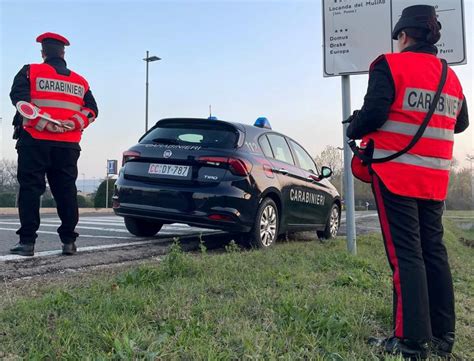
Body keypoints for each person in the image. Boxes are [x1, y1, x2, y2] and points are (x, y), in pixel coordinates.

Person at [345, 5, 468, 360]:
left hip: (396, 174)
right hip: (435, 180)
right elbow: (460, 123)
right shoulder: (450, 76)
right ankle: (444, 336)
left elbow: (374, 114)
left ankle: (411, 341)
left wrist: (354, 127)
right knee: (434, 253)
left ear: (404, 35)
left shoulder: (389, 64)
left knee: (407, 257)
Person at [9, 32, 98, 257]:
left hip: (35, 141)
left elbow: (19, 100)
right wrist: (71, 124)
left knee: (30, 189)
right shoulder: (80, 81)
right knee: (66, 191)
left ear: (43, 52)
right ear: (63, 53)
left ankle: (27, 243)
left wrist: (43, 124)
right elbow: (92, 110)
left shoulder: (30, 71)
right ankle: (69, 241)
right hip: (67, 145)